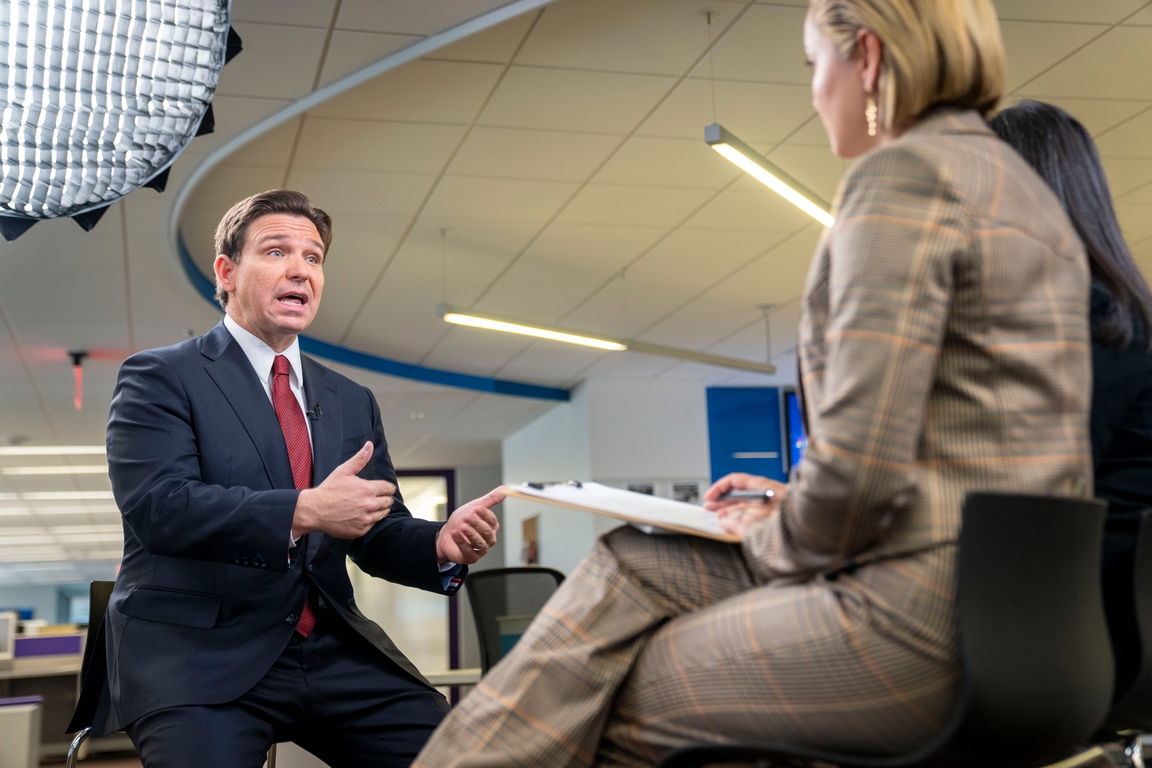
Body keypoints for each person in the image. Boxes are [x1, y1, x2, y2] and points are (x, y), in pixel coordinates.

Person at [413, 0, 1093, 765]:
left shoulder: (903, 176)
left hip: (914, 626)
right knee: (630, 560)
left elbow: (863, 469)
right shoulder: (1032, 203)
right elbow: (954, 453)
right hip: (1029, 626)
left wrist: (769, 532)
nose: (814, 93)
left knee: (606, 691)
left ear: (866, 58)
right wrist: (784, 511)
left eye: (815, 66)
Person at [70, 190, 505, 768]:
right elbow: (160, 508)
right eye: (276, 251)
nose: (300, 269)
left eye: (314, 257)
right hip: (199, 654)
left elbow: (374, 531)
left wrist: (440, 544)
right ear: (226, 273)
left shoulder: (351, 400)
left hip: (329, 648)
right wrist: (305, 510)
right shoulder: (160, 376)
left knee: (464, 757)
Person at [990, 101, 1152, 703]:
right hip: (1107, 621)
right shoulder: (1121, 313)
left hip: (1069, 631)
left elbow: (1020, 496)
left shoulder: (1082, 322)